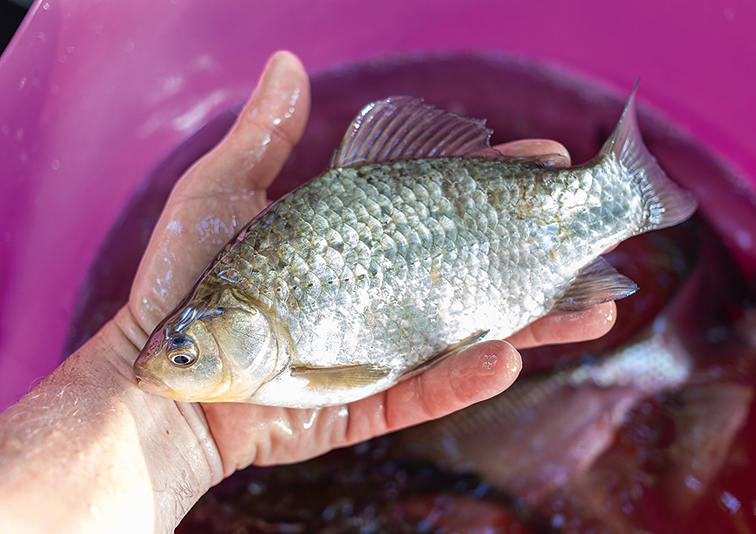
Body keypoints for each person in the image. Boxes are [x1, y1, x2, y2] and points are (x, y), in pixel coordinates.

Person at [0, 52, 618, 534]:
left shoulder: (273, 347)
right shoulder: (248, 341)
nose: (164, 371)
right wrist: (163, 430)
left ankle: (619, 197)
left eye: (185, 355)